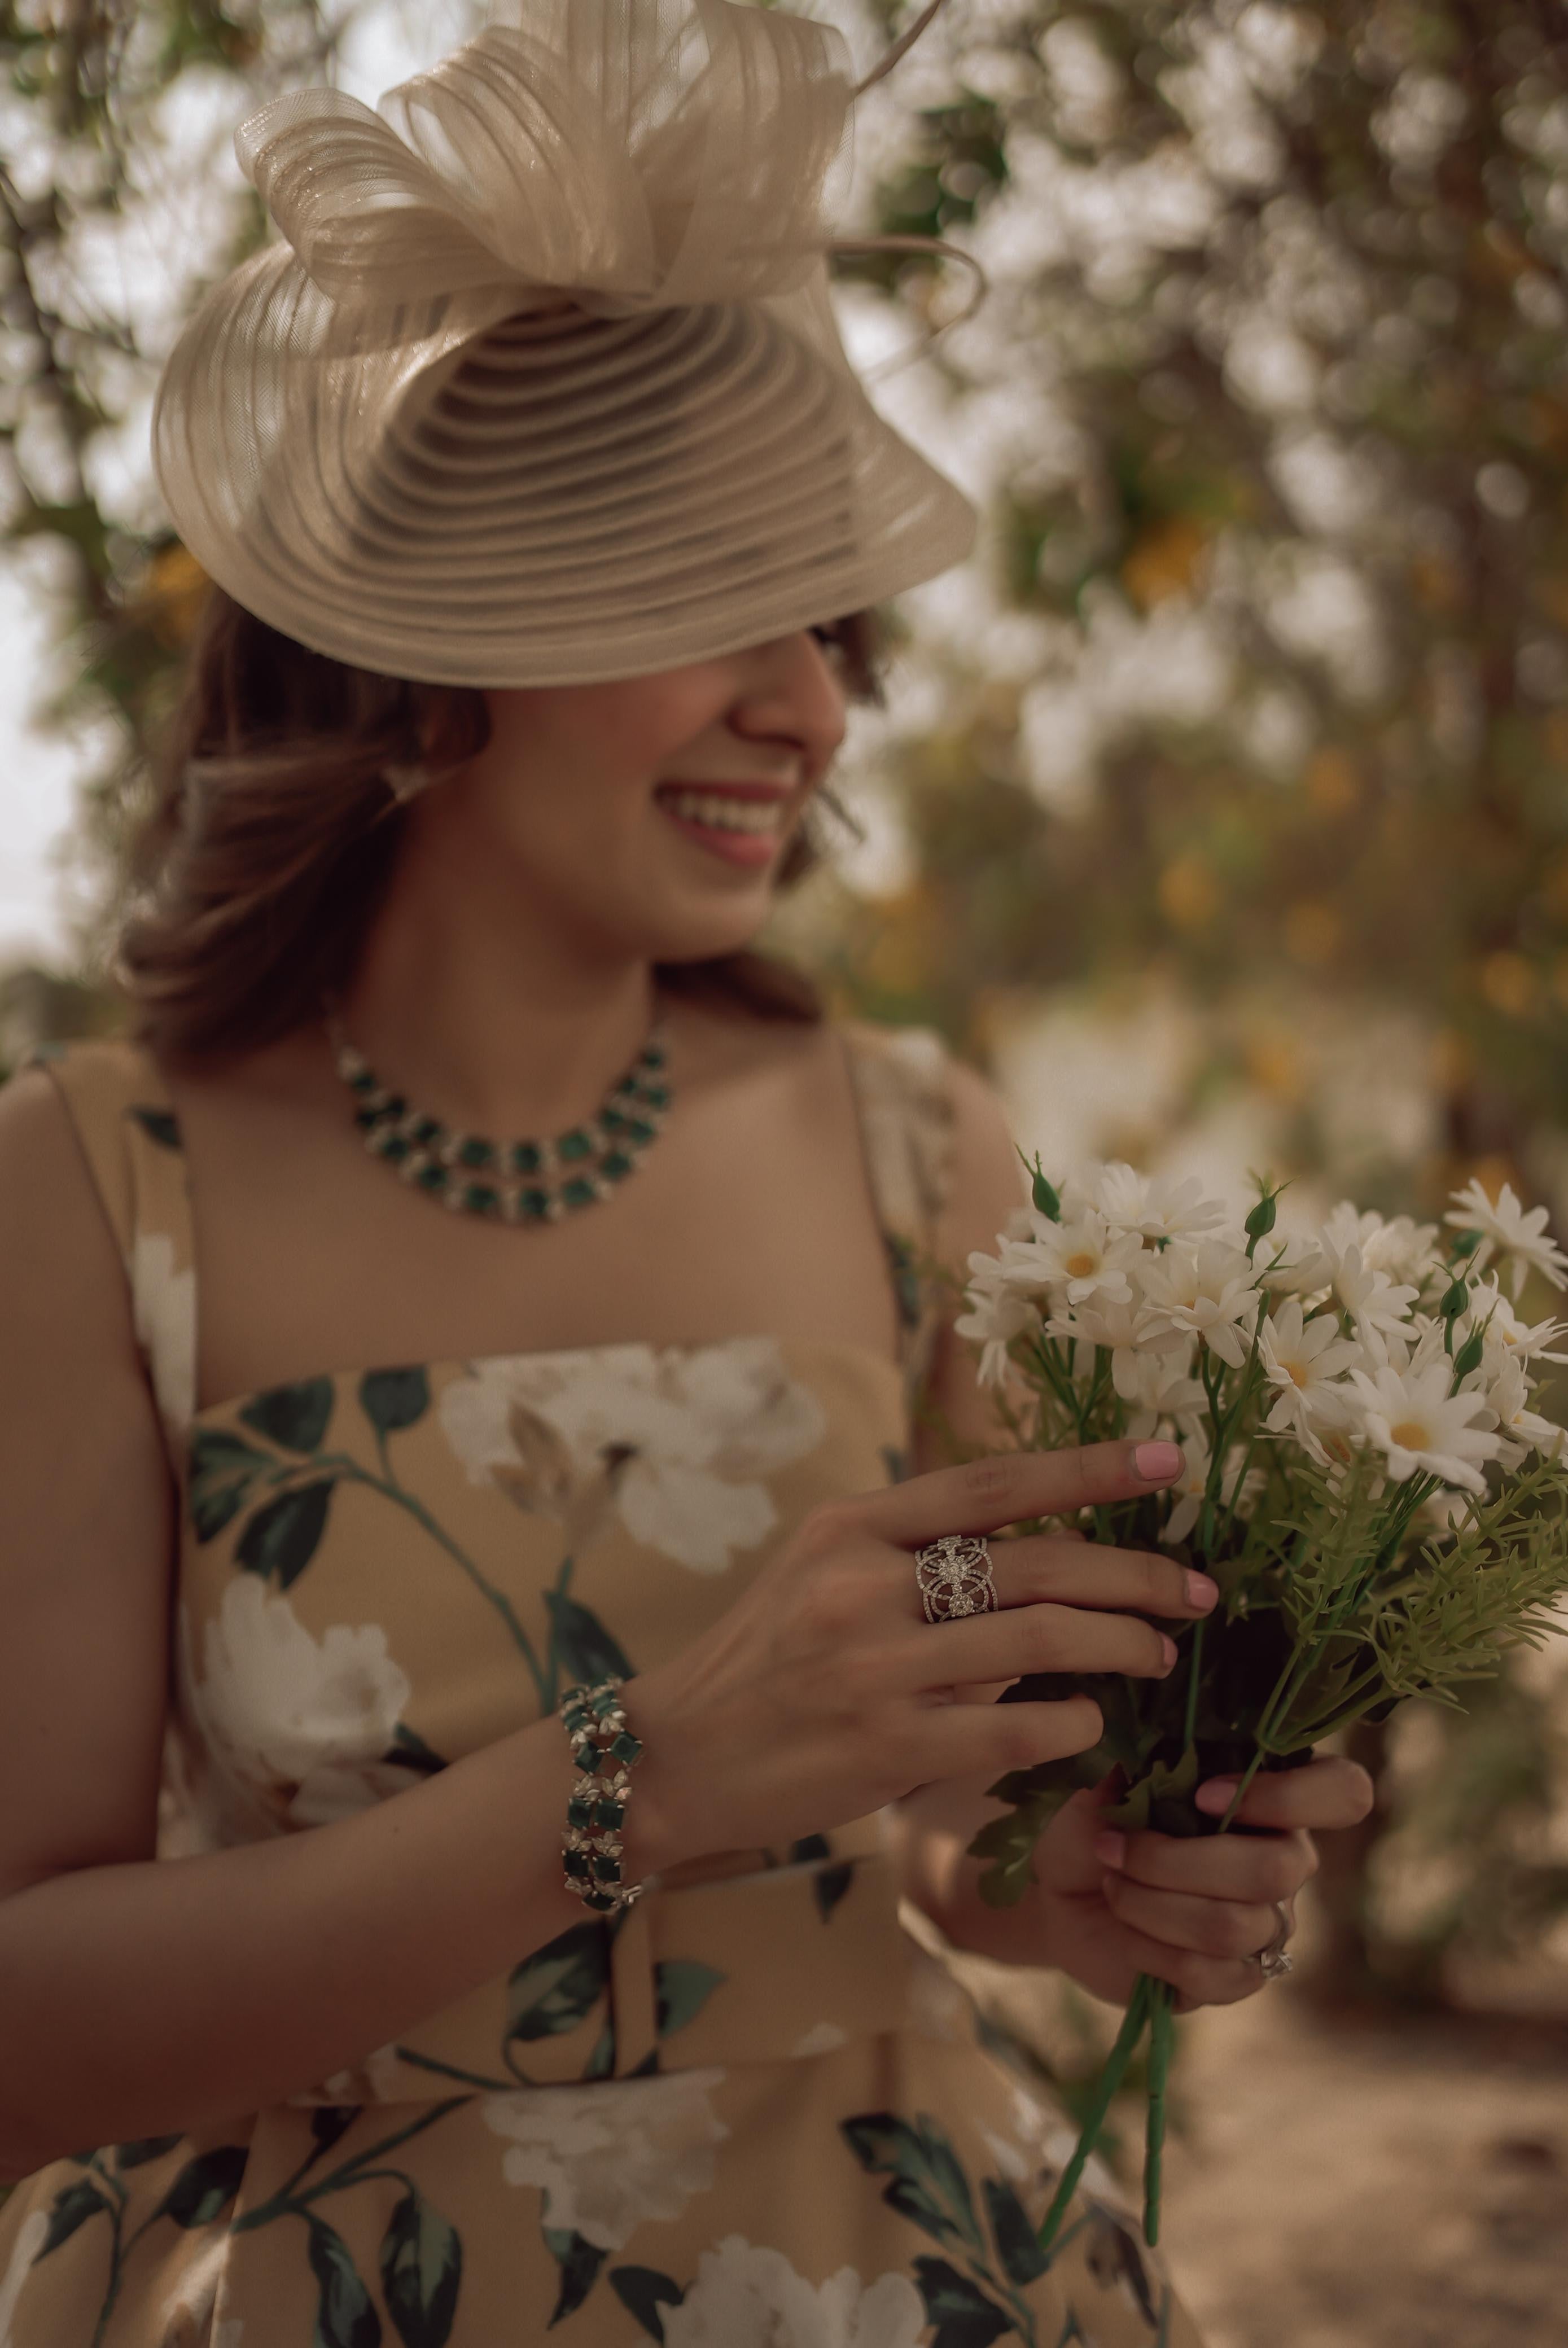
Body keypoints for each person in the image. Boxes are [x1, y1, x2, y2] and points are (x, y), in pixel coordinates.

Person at [0, 5, 1371, 2342]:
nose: (817, 704)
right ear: (441, 652)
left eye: (822, 624)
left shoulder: (912, 1141)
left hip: (903, 2267)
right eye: (716, 600)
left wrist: (1086, 1879)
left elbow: (947, 1829)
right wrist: (641, 1767)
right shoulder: (92, 1188)